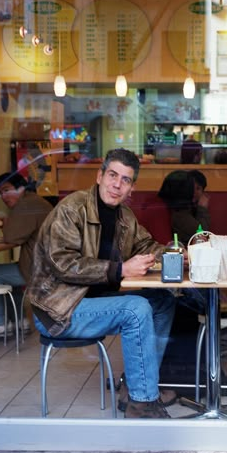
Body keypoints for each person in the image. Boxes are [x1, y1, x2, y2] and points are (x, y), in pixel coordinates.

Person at [26, 148, 176, 419]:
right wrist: (120, 269)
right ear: (99, 176)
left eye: (126, 180)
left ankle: (136, 387)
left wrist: (177, 254)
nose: (117, 185)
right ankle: (141, 404)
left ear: (132, 187)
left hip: (89, 302)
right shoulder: (72, 210)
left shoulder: (125, 217)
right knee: (136, 308)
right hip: (57, 308)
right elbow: (63, 263)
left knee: (163, 301)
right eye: (112, 175)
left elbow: (147, 245)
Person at [0, 172, 53, 337]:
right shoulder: (34, 201)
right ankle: (19, 321)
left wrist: (4, 228)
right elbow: (16, 236)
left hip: (39, 269)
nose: (3, 196)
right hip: (45, 266)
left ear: (21, 188)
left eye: (7, 190)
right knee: (6, 276)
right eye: (1, 193)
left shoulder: (27, 205)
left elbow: (12, 237)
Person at [158, 170, 210, 245]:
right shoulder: (179, 213)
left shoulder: (181, 207)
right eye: (192, 188)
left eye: (198, 189)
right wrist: (202, 208)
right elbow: (201, 233)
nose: (195, 192)